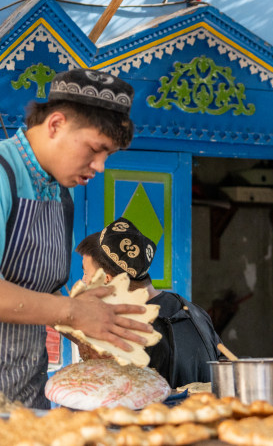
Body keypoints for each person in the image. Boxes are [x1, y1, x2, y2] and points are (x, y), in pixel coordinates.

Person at [0, 68, 154, 408]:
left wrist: (93, 317)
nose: (99, 167)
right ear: (56, 124)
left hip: (25, 398)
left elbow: (36, 292)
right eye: (94, 149)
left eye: (107, 156)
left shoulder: (60, 194)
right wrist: (72, 311)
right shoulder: (2, 174)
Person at [75, 218, 223, 388]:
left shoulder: (128, 329)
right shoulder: (194, 311)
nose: (83, 280)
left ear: (106, 280)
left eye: (86, 273)